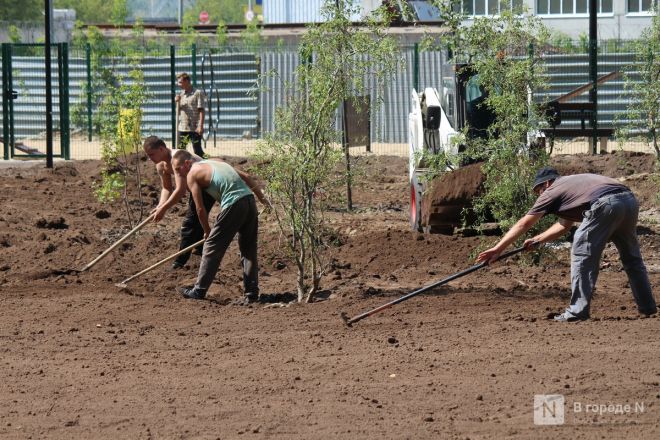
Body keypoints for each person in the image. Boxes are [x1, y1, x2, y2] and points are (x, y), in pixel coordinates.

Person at [477, 166, 656, 322]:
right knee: (632, 259)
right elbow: (563, 225)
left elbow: (525, 223)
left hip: (605, 204)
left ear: (546, 184)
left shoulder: (552, 190)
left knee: (581, 252)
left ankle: (577, 312)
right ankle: (647, 306)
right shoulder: (571, 187)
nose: (539, 196)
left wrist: (498, 249)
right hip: (629, 200)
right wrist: (538, 239)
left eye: (538, 191)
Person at [171, 149, 271, 303]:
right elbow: (247, 177)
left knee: (211, 245)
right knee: (248, 248)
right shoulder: (217, 160)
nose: (179, 174)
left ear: (187, 163)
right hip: (249, 201)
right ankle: (251, 293)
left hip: (234, 204)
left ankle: (198, 291)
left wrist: (207, 231)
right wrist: (264, 201)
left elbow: (199, 208)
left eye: (178, 169)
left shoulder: (192, 174)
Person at [142, 136, 215, 269]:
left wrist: (164, 209)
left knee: (189, 224)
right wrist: (160, 206)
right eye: (148, 155)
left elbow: (180, 190)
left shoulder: (177, 158)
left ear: (161, 149)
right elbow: (166, 188)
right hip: (196, 188)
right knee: (196, 222)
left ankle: (179, 262)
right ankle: (202, 253)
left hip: (208, 186)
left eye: (152, 154)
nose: (150, 158)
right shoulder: (160, 165)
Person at [175, 72, 206, 157]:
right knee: (181, 150)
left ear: (187, 81)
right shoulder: (181, 94)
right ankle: (185, 168)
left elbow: (201, 110)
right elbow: (178, 112)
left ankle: (207, 163)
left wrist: (200, 125)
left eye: (180, 82)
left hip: (194, 127)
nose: (178, 84)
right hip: (183, 127)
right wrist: (177, 102)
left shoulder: (197, 93)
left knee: (197, 150)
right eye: (178, 82)